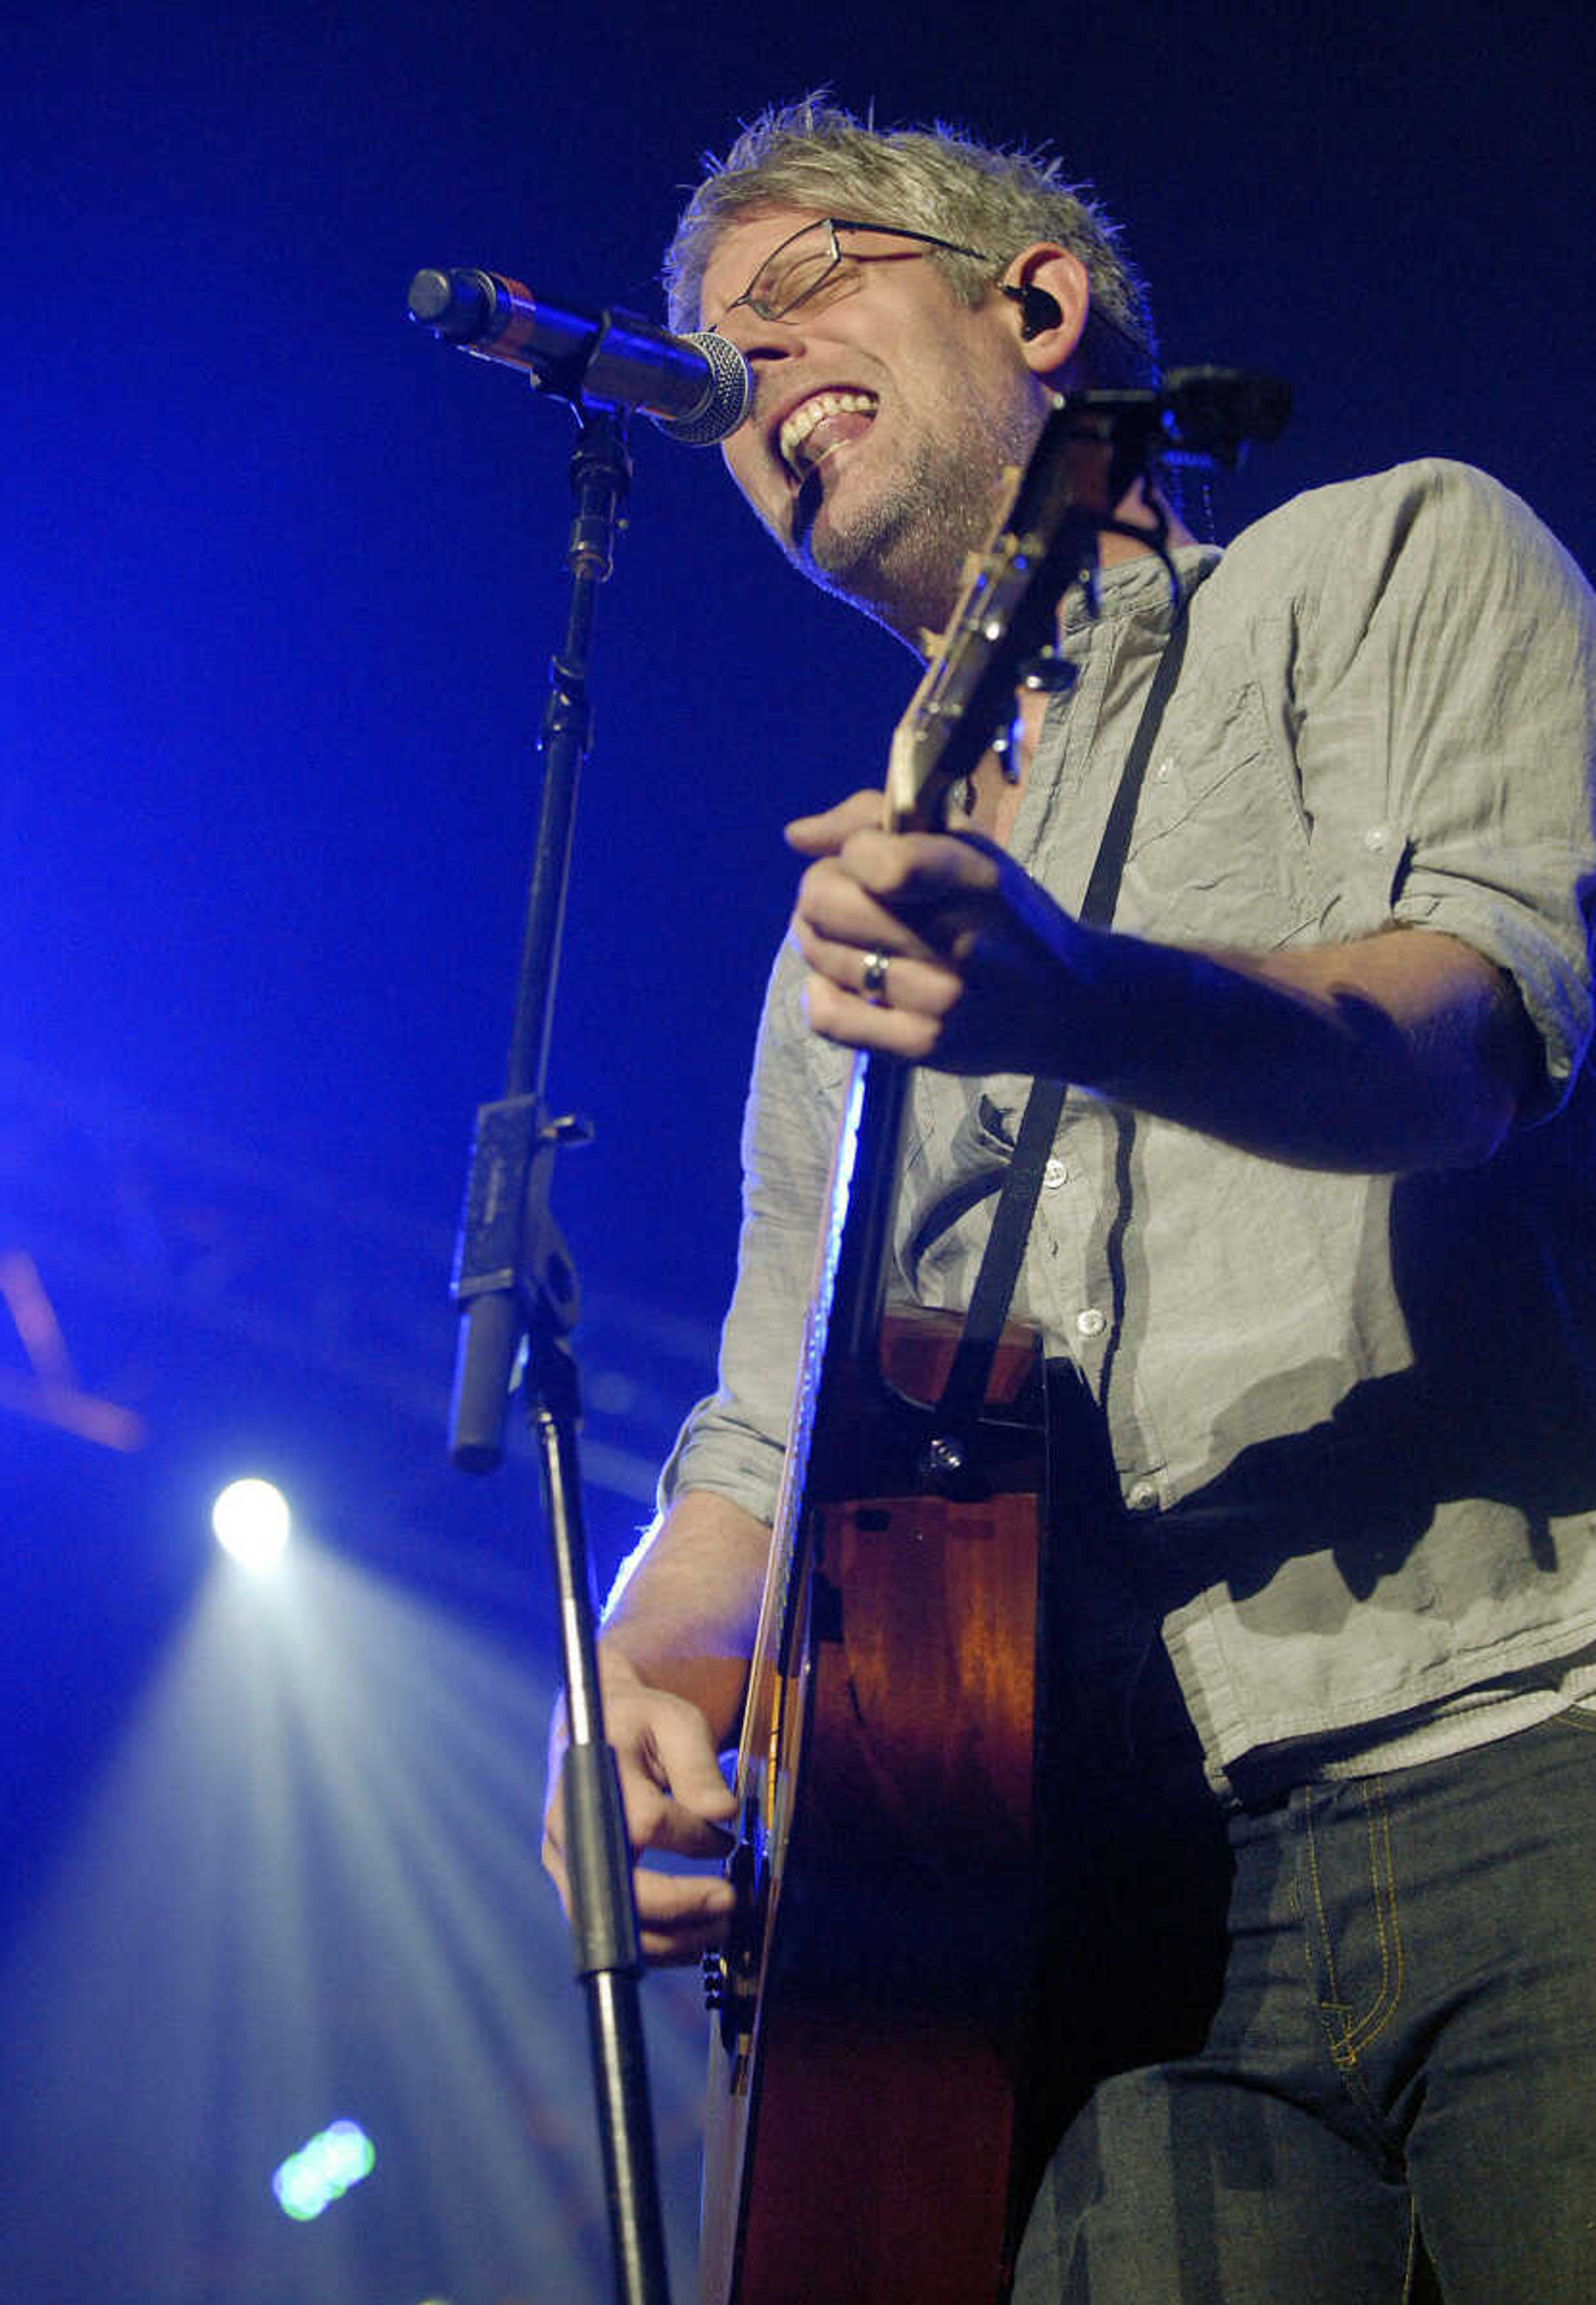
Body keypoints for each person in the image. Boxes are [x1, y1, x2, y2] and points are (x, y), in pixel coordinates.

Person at [542, 96, 1596, 2301]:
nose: (743, 361)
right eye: (710, 349)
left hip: (1539, 1750)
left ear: (1041, 307)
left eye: (807, 276)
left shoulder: (1392, 562)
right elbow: (764, 1451)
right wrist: (627, 1685)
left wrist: (1083, 1001)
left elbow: (1474, 1033)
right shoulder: (834, 936)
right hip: (1101, 1932)